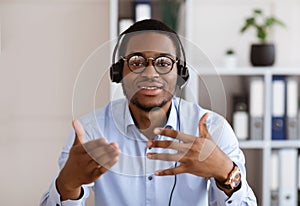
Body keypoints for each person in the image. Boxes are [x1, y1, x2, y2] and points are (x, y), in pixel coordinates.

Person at [40, 19, 257, 206]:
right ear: (118, 72)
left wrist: (226, 173)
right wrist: (67, 184)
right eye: (136, 62)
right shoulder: (88, 132)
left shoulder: (213, 129)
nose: (150, 73)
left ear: (180, 73)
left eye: (163, 62)